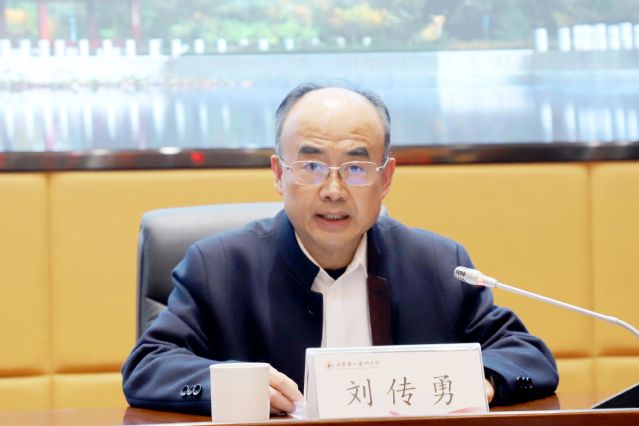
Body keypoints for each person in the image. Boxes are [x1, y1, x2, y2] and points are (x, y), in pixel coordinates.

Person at [122, 82, 558, 415]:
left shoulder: (437, 265)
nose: (333, 190)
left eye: (355, 167)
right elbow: (148, 367)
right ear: (279, 175)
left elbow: (528, 358)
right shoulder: (218, 266)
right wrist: (230, 385)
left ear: (386, 179)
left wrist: (484, 380)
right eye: (311, 166)